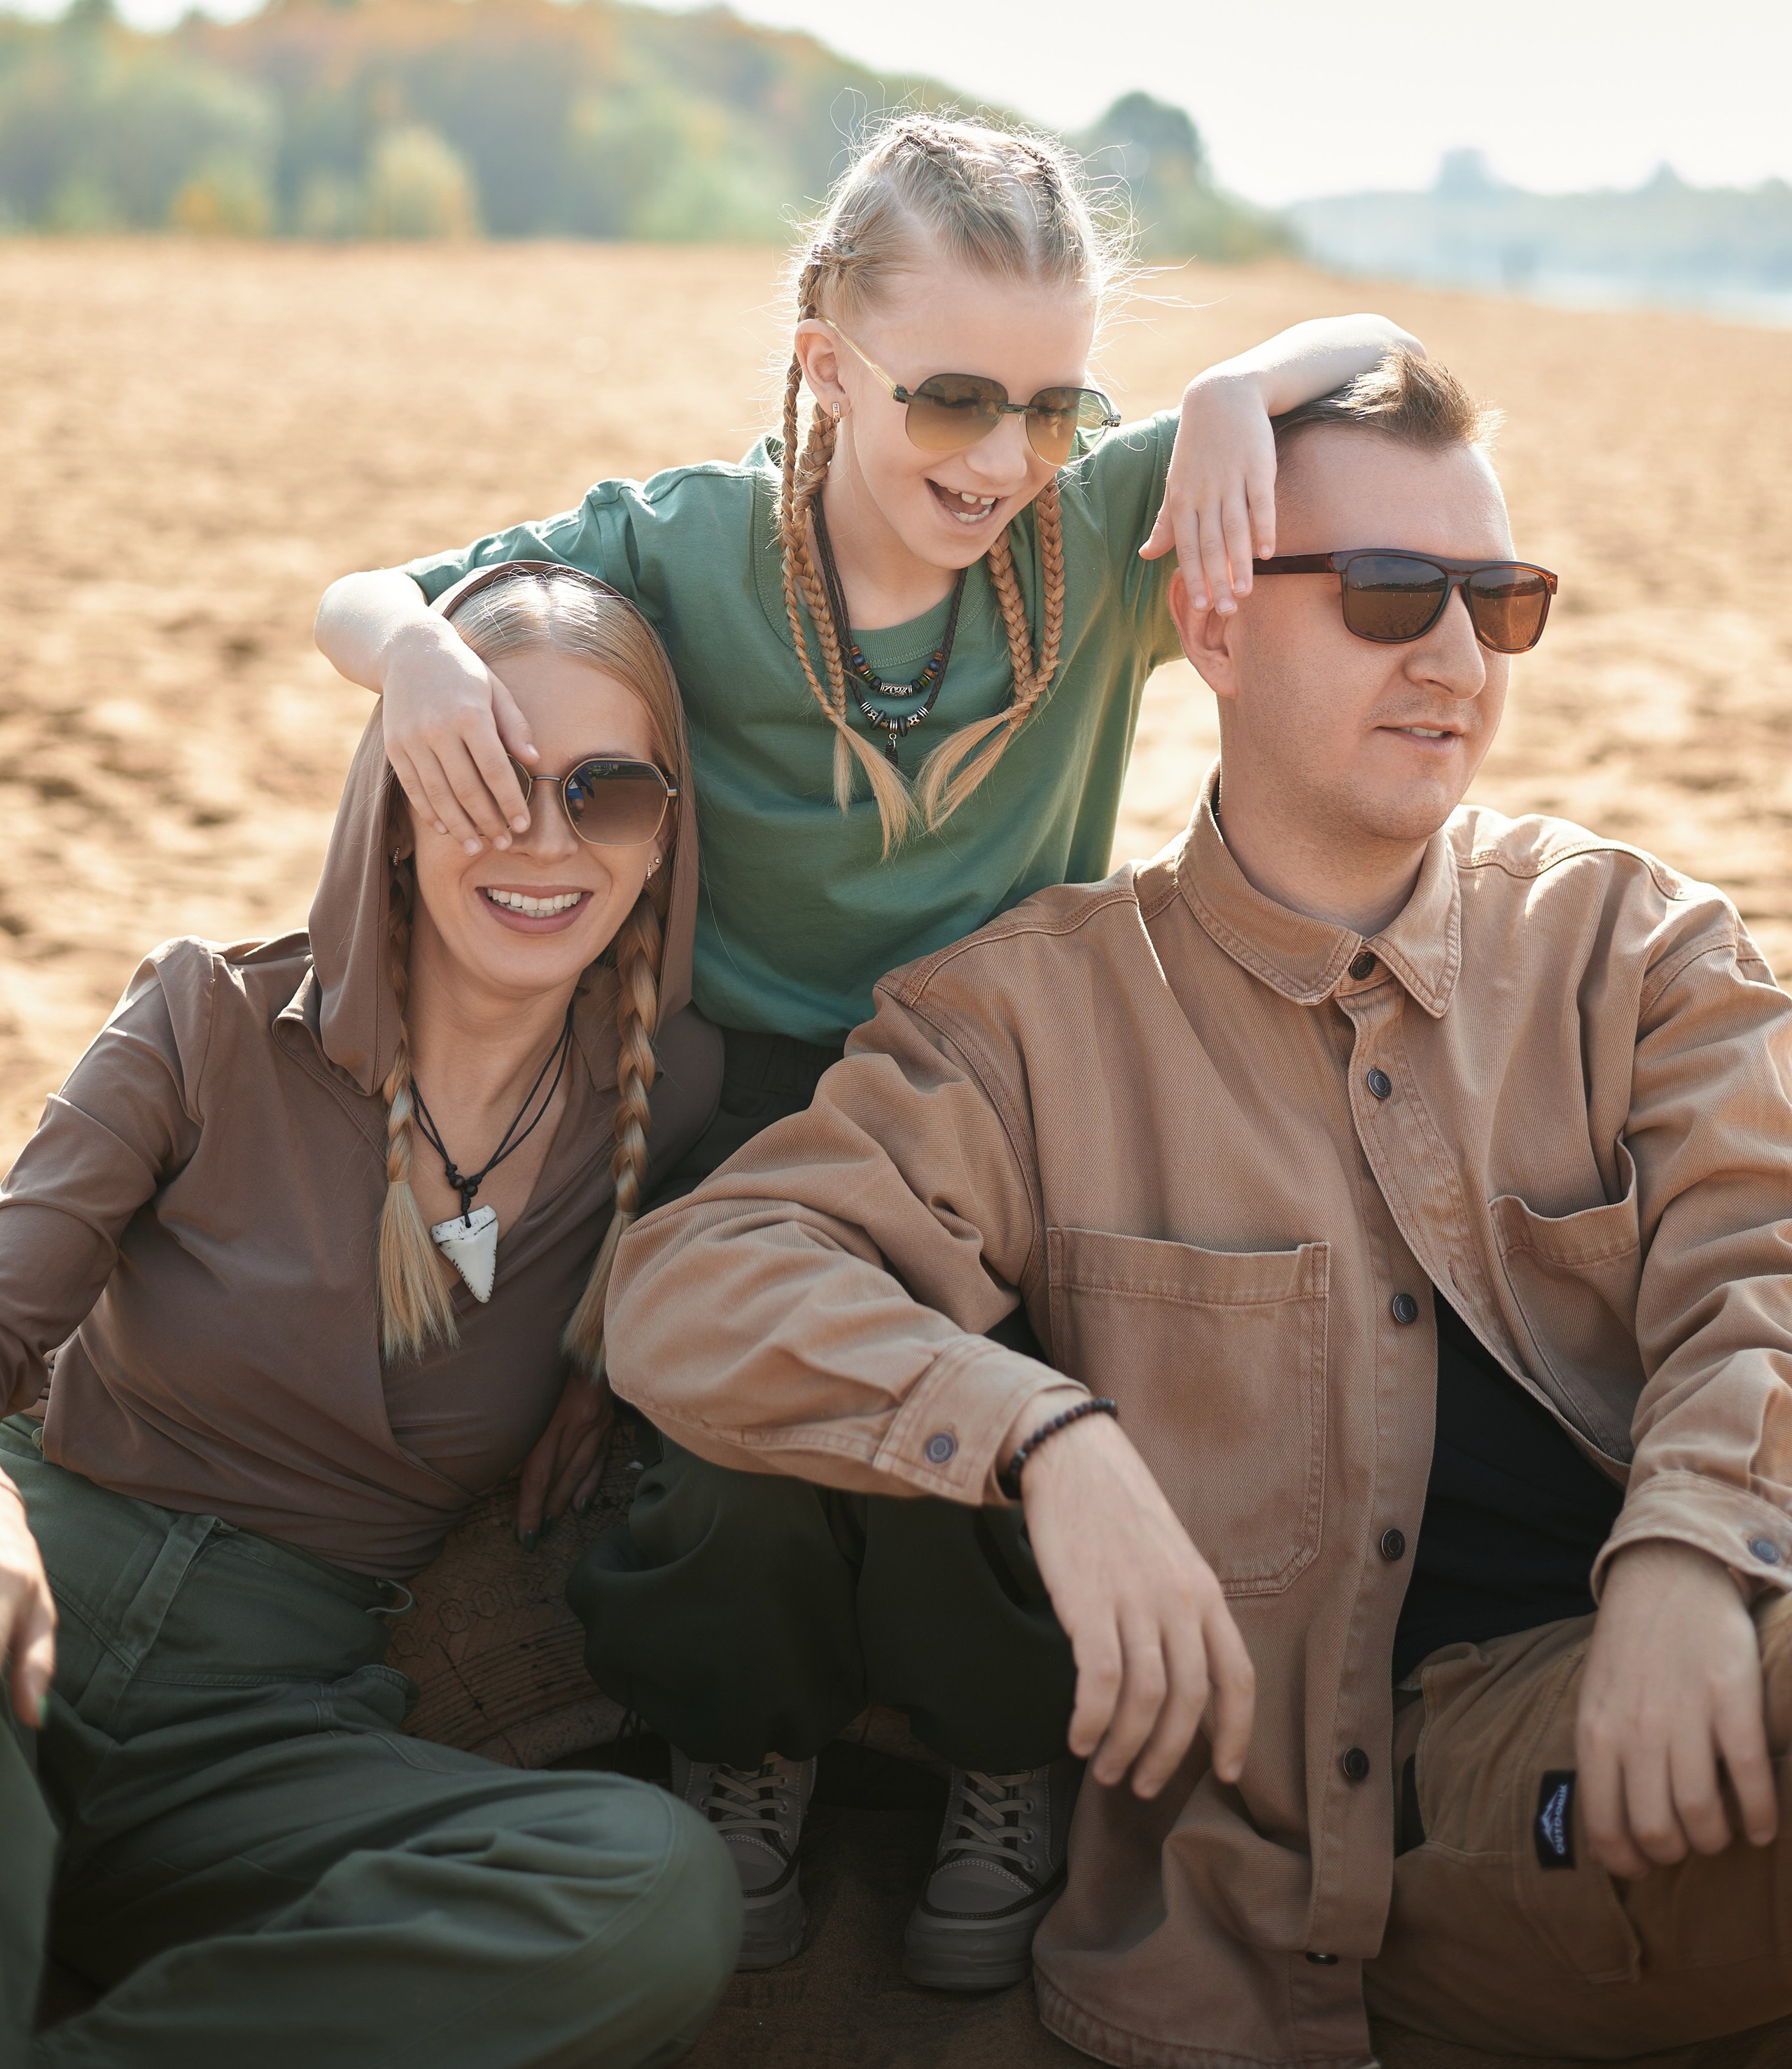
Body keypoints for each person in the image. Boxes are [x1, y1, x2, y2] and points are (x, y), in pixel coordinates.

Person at [312, 114, 1416, 1973]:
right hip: (744, 1110)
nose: (1003, 458)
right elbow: (360, 596)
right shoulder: (685, 544)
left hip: (1005, 1113)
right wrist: (422, 654)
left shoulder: (1093, 532)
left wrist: (1235, 387)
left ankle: (999, 1753)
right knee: (745, 1439)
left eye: (1058, 404)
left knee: (986, 1401)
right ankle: (743, 1744)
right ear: (829, 355)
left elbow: (1367, 340)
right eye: (956, 397)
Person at [600, 349, 1792, 2069]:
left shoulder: (1633, 949)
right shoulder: (1028, 1023)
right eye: (1388, 596)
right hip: (1376, 1842)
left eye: (1495, 602)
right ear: (1213, 630)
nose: (1453, 660)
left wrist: (1688, 1548)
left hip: (1700, 1672)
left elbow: (1763, 1254)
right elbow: (698, 1284)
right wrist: (1037, 1432)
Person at [0, 563, 741, 2069]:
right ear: (394, 799)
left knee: (651, 1889)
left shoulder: (682, 1108)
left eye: (605, 791)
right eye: (483, 777)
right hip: (24, 1609)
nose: (543, 837)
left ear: (663, 836)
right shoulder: (206, 1018)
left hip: (260, 1745)